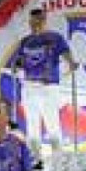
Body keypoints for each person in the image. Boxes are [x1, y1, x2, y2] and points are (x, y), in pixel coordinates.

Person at [12, 8, 78, 154]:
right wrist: (16, 67)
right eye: (31, 21)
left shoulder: (55, 37)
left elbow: (65, 52)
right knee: (32, 124)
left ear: (43, 20)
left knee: (52, 122)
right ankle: (35, 159)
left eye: (37, 21)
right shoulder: (25, 41)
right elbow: (20, 60)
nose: (33, 24)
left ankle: (58, 157)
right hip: (29, 86)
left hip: (48, 86)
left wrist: (71, 63)